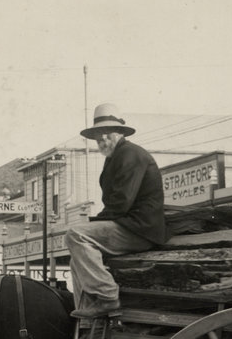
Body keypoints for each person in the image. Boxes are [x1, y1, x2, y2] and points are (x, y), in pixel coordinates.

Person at [66, 102, 168, 319]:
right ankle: (86, 322)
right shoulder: (116, 157)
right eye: (98, 136)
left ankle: (107, 297)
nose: (102, 139)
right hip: (129, 226)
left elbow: (121, 203)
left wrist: (94, 222)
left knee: (75, 234)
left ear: (119, 132)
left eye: (107, 133)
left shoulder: (131, 154)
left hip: (140, 230)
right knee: (76, 258)